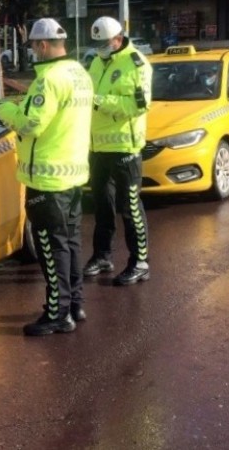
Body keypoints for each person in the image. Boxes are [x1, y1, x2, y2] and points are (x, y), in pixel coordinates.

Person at [0, 18, 93, 336]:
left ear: (43, 45)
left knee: (51, 248)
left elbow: (31, 125)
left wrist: (0, 109)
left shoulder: (48, 80)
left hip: (47, 180)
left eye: (34, 46)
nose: (33, 52)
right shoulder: (79, 73)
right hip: (73, 175)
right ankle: (74, 305)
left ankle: (57, 313)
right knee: (71, 243)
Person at [83, 16, 153, 286]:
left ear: (118, 39)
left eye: (104, 44)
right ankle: (102, 256)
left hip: (125, 146)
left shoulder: (137, 64)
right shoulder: (96, 62)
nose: (100, 49)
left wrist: (99, 101)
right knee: (102, 205)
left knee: (130, 206)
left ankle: (140, 262)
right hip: (98, 146)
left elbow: (138, 105)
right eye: (97, 44)